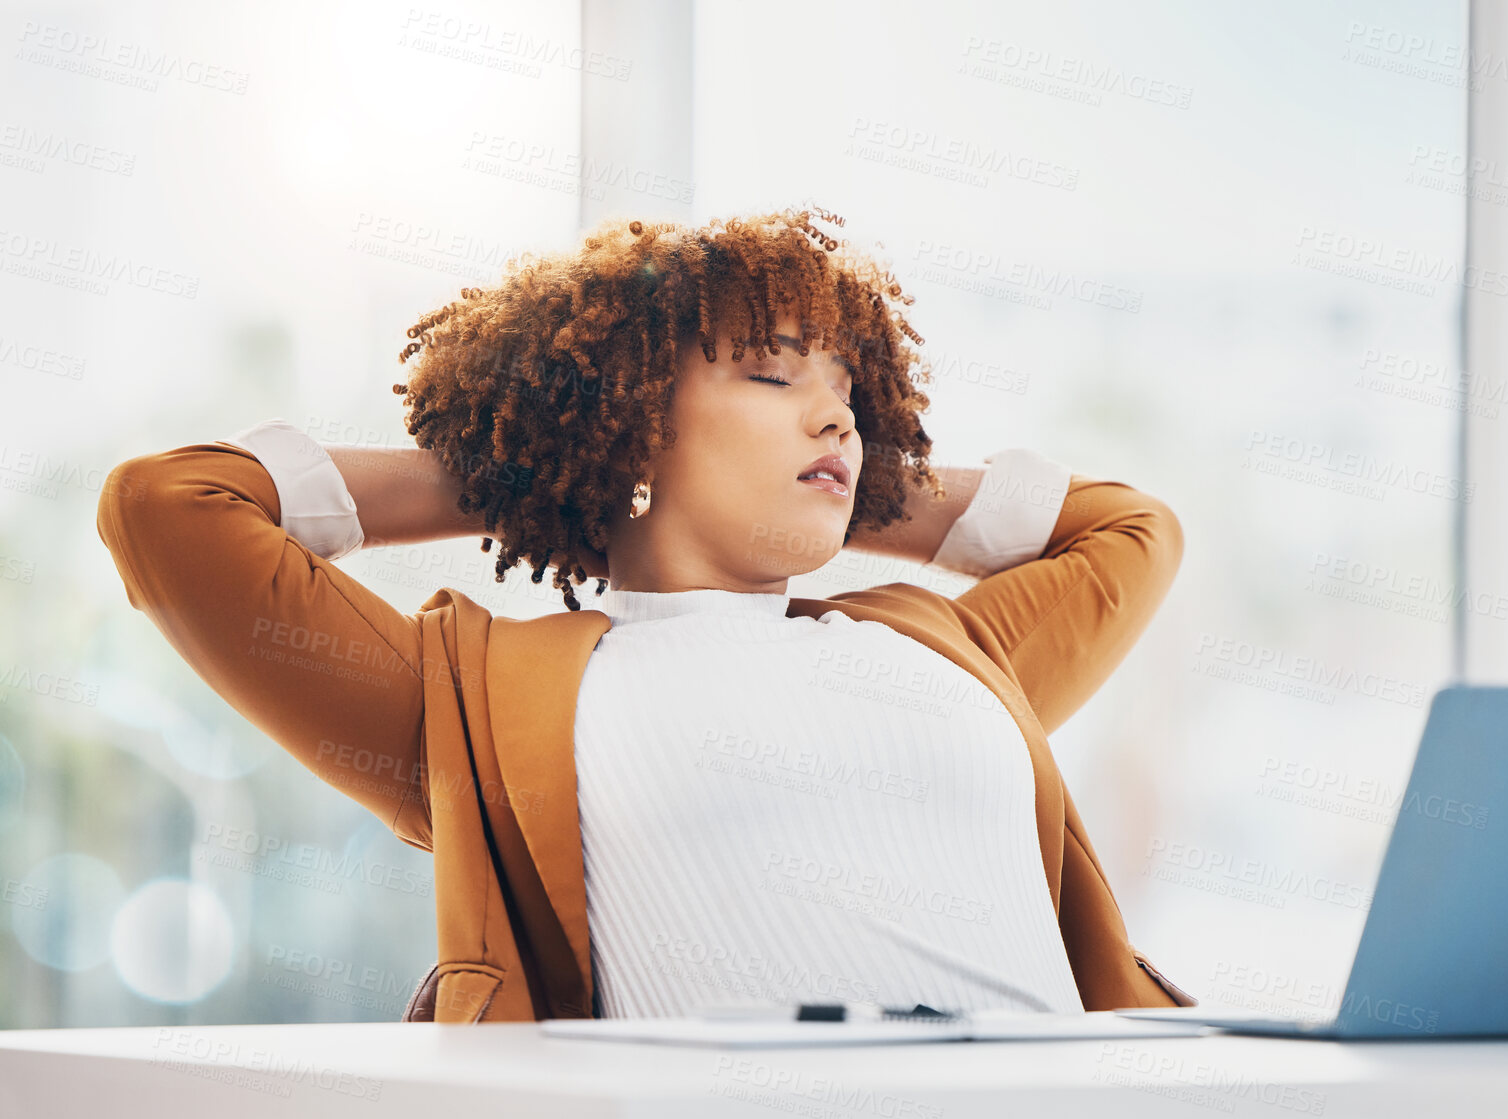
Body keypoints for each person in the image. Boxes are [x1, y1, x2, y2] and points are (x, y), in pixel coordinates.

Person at [96, 204, 1194, 1022]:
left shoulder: (949, 648)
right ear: (626, 421)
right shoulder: (478, 702)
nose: (834, 416)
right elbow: (171, 508)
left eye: (849, 398)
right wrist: (538, 464)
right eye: (771, 376)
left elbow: (1130, 530)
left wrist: (845, 490)